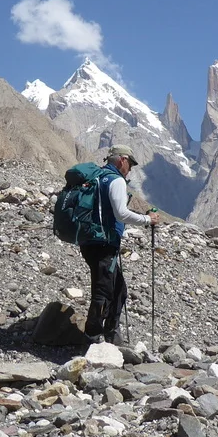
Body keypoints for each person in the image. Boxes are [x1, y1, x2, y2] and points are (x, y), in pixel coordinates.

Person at [81, 145, 160, 344]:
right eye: (130, 163)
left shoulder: (98, 177)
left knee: (118, 289)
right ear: (122, 160)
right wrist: (147, 220)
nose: (131, 168)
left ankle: (111, 335)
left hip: (91, 241)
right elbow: (121, 213)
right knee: (103, 291)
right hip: (104, 243)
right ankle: (91, 338)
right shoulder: (116, 180)